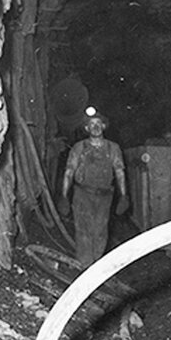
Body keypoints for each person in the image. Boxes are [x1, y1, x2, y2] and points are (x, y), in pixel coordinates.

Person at [61, 112, 128, 270]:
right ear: (86, 128)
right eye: (92, 124)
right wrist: (63, 195)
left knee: (100, 231)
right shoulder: (79, 147)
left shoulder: (113, 148)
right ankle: (84, 268)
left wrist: (124, 195)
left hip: (104, 196)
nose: (96, 127)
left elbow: (119, 172)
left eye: (99, 124)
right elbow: (69, 171)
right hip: (82, 194)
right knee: (84, 230)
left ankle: (96, 269)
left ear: (104, 126)